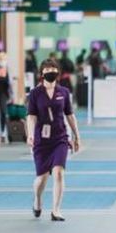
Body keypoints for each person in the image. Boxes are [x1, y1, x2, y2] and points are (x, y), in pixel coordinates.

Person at [27, 59, 80, 221]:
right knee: (42, 178)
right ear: (41, 73)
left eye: (53, 69)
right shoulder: (35, 93)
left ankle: (56, 210)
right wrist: (30, 134)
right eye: (47, 69)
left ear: (58, 72)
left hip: (60, 138)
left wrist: (76, 135)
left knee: (58, 173)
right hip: (41, 140)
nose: (51, 71)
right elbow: (31, 116)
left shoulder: (63, 92)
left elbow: (70, 115)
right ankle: (37, 199)